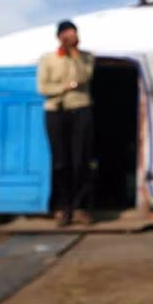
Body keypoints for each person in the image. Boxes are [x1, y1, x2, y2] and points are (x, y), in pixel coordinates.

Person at [37, 19, 96, 227]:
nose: (72, 37)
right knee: (60, 161)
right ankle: (63, 207)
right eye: (67, 34)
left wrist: (75, 55)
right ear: (59, 36)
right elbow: (43, 88)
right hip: (55, 111)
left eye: (74, 34)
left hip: (80, 109)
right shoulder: (48, 59)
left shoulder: (86, 57)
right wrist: (65, 87)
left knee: (81, 159)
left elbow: (84, 77)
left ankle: (81, 207)